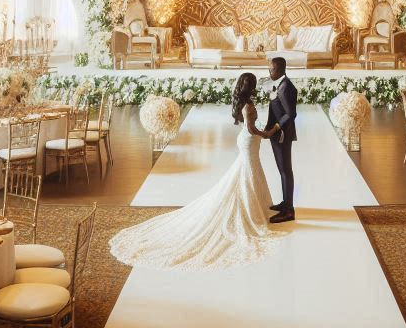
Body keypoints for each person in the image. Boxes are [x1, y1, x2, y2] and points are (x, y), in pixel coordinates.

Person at [108, 72, 279, 271]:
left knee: (248, 172)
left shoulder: (245, 103)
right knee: (248, 172)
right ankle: (251, 212)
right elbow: (251, 129)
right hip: (250, 141)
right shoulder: (248, 106)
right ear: (252, 86)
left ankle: (256, 207)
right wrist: (270, 132)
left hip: (247, 142)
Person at [264, 56, 297, 222]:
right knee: (282, 170)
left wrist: (275, 128)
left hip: (282, 135)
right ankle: (285, 203)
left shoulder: (285, 88)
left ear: (281, 69)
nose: (269, 71)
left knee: (285, 171)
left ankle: (289, 211)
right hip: (278, 133)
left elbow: (291, 114)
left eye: (272, 69)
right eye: (269, 69)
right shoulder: (282, 84)